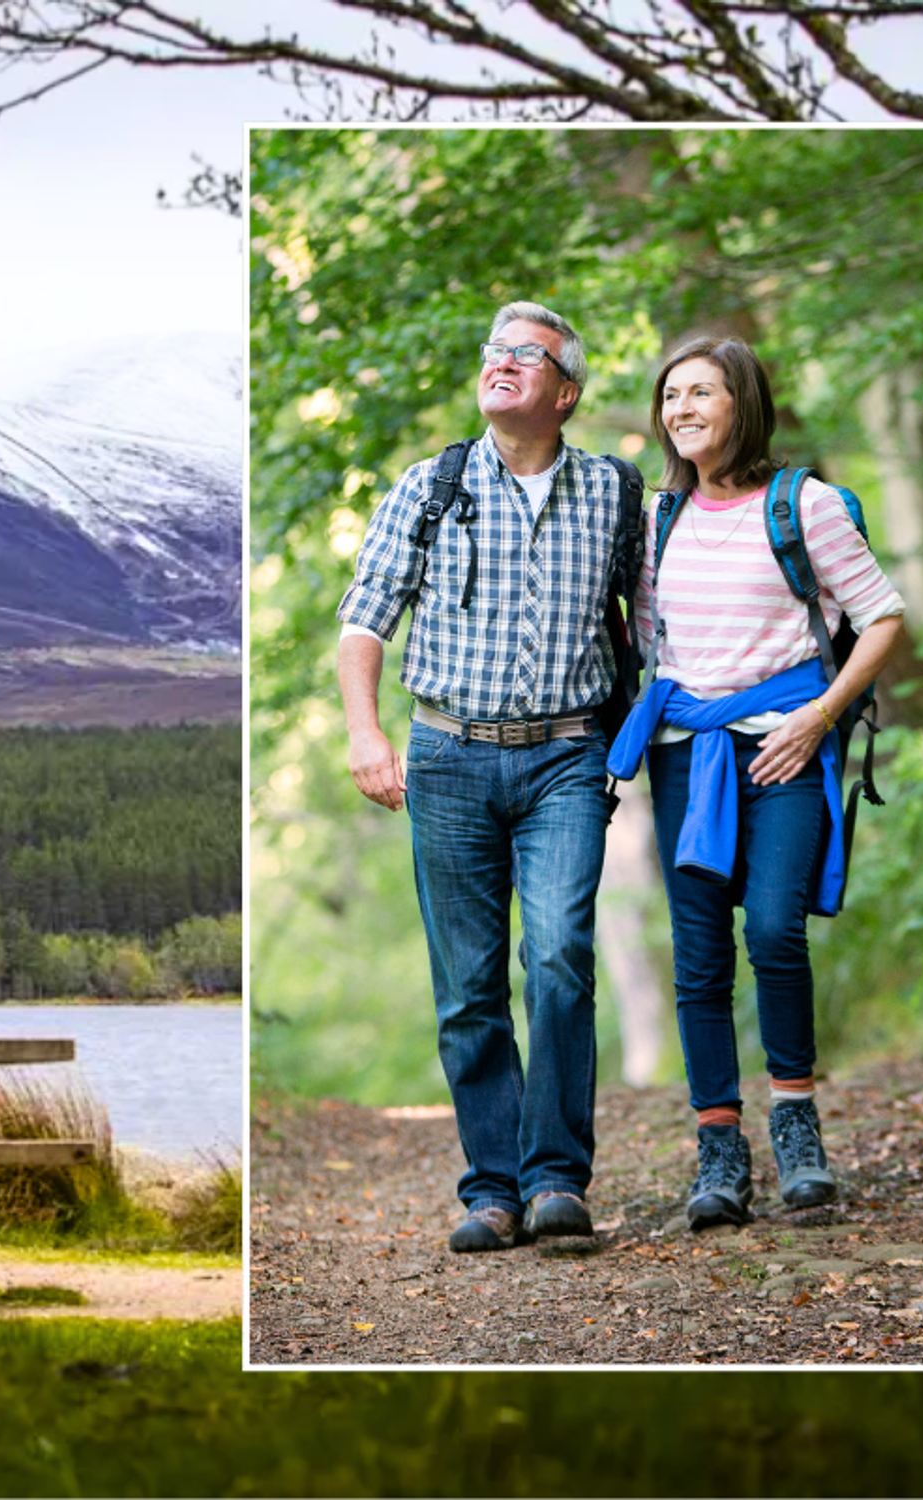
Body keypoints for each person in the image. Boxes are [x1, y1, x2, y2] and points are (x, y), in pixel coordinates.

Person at [337, 302, 636, 1253]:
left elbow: (659, 625)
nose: (502, 364)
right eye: (494, 352)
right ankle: (491, 1191)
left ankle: (556, 1181)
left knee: (556, 958)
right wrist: (363, 734)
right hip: (448, 758)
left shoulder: (617, 494)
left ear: (567, 392)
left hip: (567, 758)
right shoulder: (429, 486)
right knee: (468, 987)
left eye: (526, 355)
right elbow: (363, 622)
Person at [610, 336, 904, 1229]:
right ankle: (719, 1151)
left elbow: (882, 615)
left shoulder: (802, 506)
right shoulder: (658, 517)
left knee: (774, 927)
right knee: (699, 958)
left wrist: (820, 717)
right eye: (670, 396)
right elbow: (648, 639)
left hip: (786, 742)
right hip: (685, 753)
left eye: (701, 392)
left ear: (742, 402)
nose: (681, 409)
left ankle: (797, 1124)